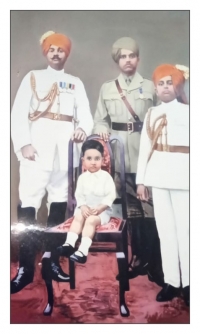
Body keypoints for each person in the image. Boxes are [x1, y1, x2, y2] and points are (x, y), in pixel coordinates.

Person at [11, 30, 93, 293]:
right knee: (29, 207)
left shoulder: (75, 82)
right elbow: (17, 114)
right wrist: (23, 143)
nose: (56, 54)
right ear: (45, 53)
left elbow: (86, 116)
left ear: (67, 53)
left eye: (61, 50)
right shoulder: (32, 78)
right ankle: (24, 268)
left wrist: (83, 130)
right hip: (36, 151)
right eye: (52, 50)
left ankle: (52, 263)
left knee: (58, 207)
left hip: (64, 152)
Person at [93, 37, 163, 284]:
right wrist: (102, 129)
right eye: (123, 56)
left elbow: (163, 117)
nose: (128, 60)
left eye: (131, 55)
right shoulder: (107, 88)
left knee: (152, 212)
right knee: (132, 213)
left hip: (148, 156)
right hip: (121, 157)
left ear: (138, 58)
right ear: (117, 61)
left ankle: (156, 264)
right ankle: (138, 259)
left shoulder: (152, 86)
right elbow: (100, 119)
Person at [136, 64, 189, 306]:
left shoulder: (190, 112)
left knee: (186, 233)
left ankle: (189, 283)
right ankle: (172, 281)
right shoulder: (151, 114)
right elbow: (145, 149)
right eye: (161, 83)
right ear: (156, 88)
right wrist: (141, 181)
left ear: (178, 86)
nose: (165, 87)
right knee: (165, 232)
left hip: (184, 178)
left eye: (170, 82)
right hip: (158, 177)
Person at [57, 139, 116, 263]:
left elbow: (110, 195)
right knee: (78, 217)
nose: (93, 162)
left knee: (90, 220)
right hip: (86, 209)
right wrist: (83, 207)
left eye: (97, 159)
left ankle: (83, 251)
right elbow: (79, 195)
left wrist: (100, 208)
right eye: (89, 159)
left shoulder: (106, 177)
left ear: (103, 160)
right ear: (83, 161)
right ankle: (69, 244)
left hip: (102, 212)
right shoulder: (82, 178)